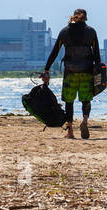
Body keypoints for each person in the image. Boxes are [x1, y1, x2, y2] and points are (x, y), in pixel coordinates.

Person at [42, 8, 101, 140]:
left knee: (69, 102)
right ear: (86, 18)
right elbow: (96, 54)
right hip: (86, 71)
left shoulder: (64, 32)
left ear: (73, 17)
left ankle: (70, 132)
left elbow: (55, 52)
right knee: (86, 99)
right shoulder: (91, 32)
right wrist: (98, 73)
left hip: (70, 72)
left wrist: (47, 69)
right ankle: (85, 121)